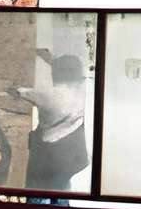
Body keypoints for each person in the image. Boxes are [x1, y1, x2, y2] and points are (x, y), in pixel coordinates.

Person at [26, 46, 94, 195]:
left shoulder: (51, 95)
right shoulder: (82, 89)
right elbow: (69, 72)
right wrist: (51, 59)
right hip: (73, 156)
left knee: (42, 191)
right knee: (60, 190)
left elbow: (22, 93)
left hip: (51, 159)